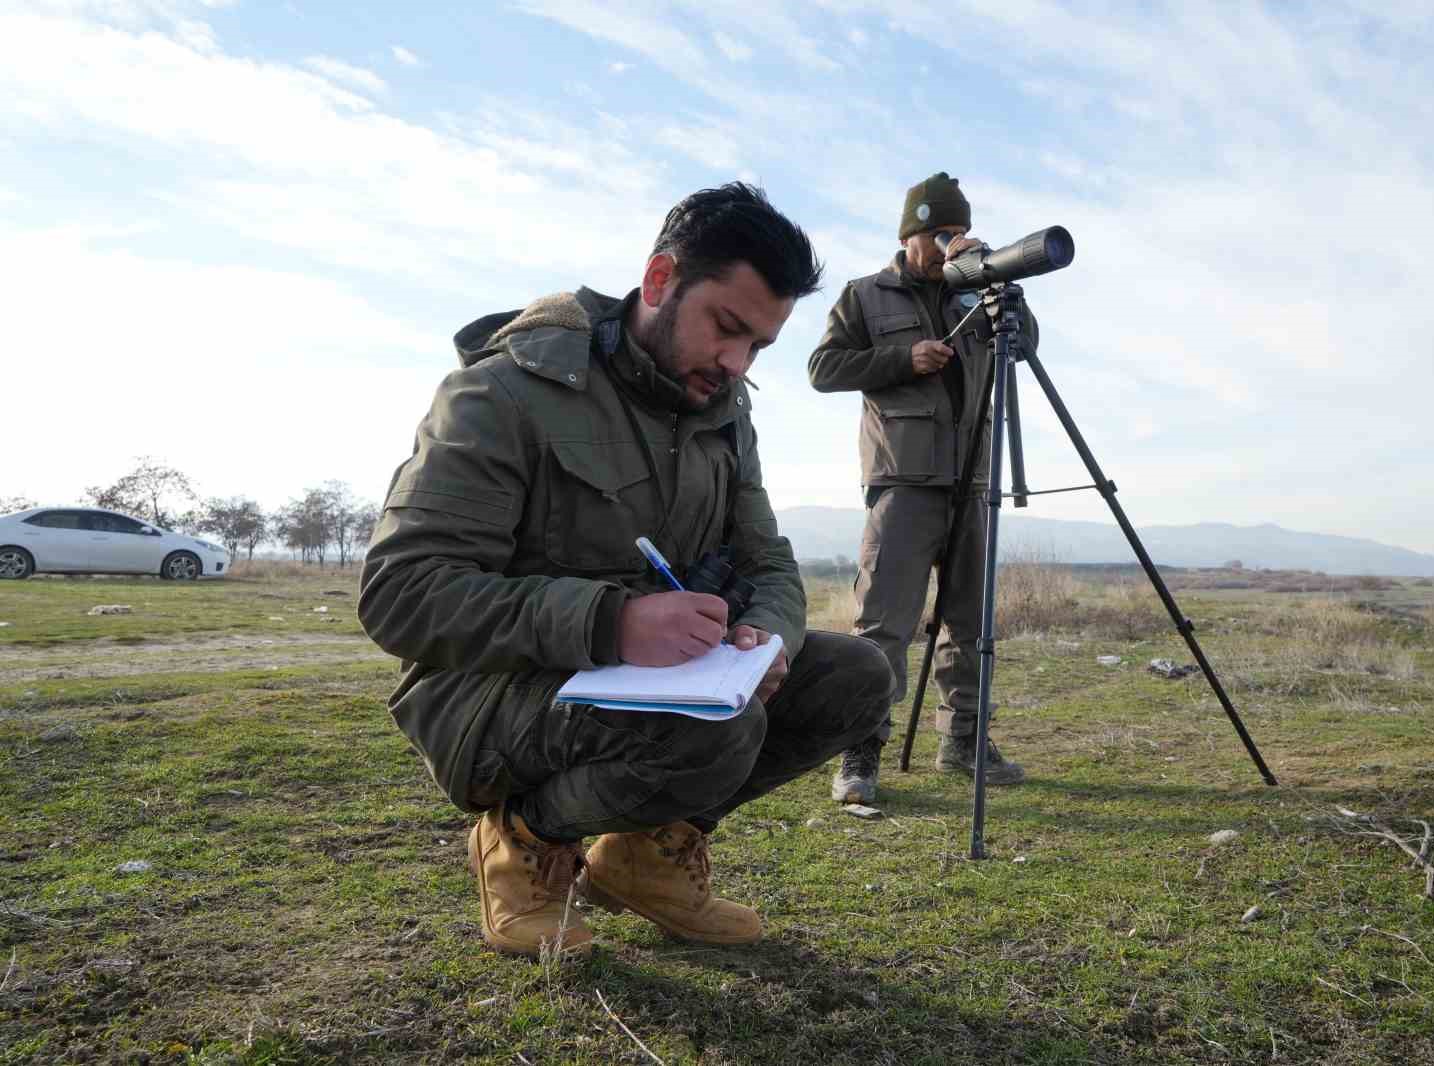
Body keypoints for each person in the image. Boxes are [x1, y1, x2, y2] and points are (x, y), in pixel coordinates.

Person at [359, 183, 894, 957]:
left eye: (759, 347)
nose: (737, 363)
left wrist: (768, 640)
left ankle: (642, 857)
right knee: (714, 724)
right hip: (485, 696)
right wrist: (611, 622)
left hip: (648, 689)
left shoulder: (722, 412)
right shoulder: (502, 391)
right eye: (727, 328)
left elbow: (769, 559)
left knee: (856, 676)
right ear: (658, 281)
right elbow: (400, 596)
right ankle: (521, 839)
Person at [808, 172, 1036, 806]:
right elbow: (822, 369)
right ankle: (862, 749)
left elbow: (1027, 347)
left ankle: (962, 740)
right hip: (902, 482)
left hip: (975, 478)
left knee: (971, 621)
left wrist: (994, 280)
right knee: (882, 624)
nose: (947, 245)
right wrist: (901, 361)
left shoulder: (978, 287)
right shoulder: (864, 295)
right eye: (937, 234)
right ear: (908, 236)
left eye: (957, 233)